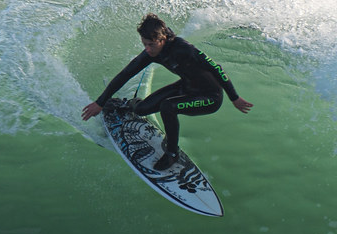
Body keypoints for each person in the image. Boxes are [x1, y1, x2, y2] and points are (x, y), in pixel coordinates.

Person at [82, 13, 253, 170]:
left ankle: (172, 153)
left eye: (151, 44)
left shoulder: (184, 49)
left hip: (210, 97)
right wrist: (100, 102)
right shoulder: (152, 52)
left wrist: (234, 98)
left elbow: (217, 68)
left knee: (168, 107)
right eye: (144, 44)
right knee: (141, 110)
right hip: (186, 86)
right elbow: (126, 73)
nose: (147, 49)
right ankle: (128, 104)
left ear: (162, 39)